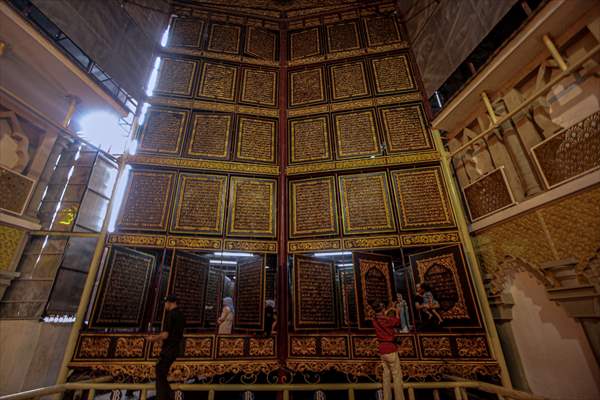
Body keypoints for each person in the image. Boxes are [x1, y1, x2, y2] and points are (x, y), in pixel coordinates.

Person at [147, 294, 186, 400]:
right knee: (161, 374)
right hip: (175, 348)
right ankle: (166, 396)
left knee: (160, 373)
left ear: (170, 302)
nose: (164, 305)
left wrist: (154, 338)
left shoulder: (171, 315)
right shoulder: (181, 315)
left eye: (165, 303)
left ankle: (164, 397)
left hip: (168, 350)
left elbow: (166, 334)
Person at [372, 301, 405, 400]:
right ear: (382, 309)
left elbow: (381, 317)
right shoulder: (386, 319)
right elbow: (397, 322)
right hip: (390, 348)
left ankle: (387, 397)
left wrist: (384, 313)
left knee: (386, 376)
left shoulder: (374, 320)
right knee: (396, 376)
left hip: (382, 350)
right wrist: (398, 312)